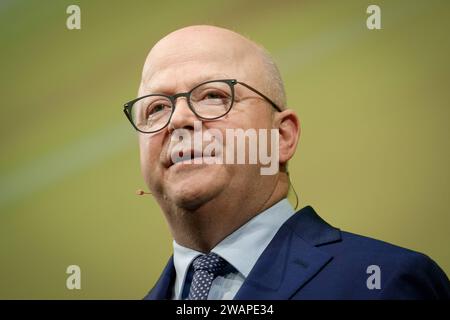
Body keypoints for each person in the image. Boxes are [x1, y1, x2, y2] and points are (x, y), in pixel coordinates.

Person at [123, 25, 450, 299]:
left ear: (282, 137)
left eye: (212, 96)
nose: (178, 119)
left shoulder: (384, 282)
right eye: (156, 108)